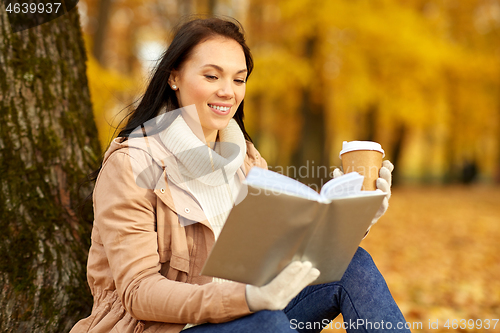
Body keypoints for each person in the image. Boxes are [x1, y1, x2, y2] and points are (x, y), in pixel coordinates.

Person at [70, 17, 410, 333]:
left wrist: (358, 215)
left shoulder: (247, 161)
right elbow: (139, 292)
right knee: (267, 322)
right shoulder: (132, 163)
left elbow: (289, 257)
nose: (228, 91)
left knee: (353, 265)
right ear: (174, 77)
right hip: (167, 328)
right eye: (211, 76)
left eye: (238, 78)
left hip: (250, 316)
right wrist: (247, 300)